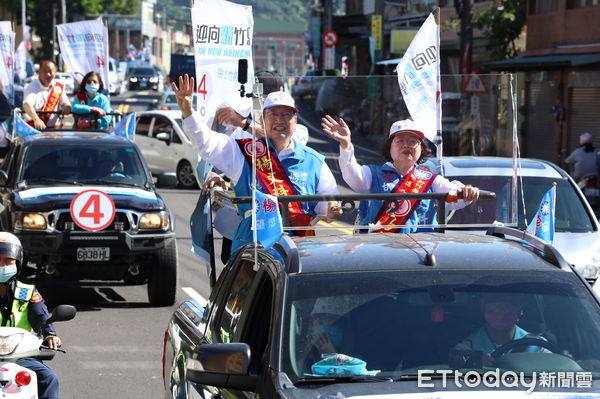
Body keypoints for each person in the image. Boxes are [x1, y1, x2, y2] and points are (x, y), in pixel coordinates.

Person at [173, 74, 342, 253]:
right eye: (273, 114)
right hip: (252, 249)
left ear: (295, 120)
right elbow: (206, 143)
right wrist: (188, 112)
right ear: (262, 119)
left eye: (286, 114)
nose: (279, 120)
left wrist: (331, 209)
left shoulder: (314, 160)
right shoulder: (242, 152)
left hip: (300, 249)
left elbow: (328, 201)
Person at [322, 117, 480, 232]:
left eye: (413, 141)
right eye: (400, 140)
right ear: (389, 147)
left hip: (421, 251)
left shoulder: (431, 179)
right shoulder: (372, 174)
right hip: (379, 249)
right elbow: (351, 173)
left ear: (421, 148)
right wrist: (346, 144)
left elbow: (455, 197)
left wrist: (467, 191)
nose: (407, 145)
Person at [0, 232, 61, 399]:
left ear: (17, 262)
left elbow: (41, 315)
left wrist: (50, 334)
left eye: (8, 260)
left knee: (49, 379)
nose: (2, 265)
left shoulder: (26, 291)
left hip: (20, 356)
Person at [213, 70, 309, 145]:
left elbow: (280, 141)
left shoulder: (300, 132)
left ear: (294, 119)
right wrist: (216, 122)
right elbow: (215, 163)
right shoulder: (238, 131)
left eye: (285, 113)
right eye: (255, 99)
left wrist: (242, 122)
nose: (279, 118)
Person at [455, 293, 547, 366]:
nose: (503, 310)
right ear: (483, 307)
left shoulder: (539, 346)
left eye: (511, 301)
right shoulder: (467, 349)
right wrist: (472, 363)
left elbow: (558, 370)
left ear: (521, 309)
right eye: (495, 300)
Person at [22, 60, 71, 130]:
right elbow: (27, 104)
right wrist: (36, 119)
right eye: (45, 71)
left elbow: (66, 104)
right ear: (39, 72)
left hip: (54, 130)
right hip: (34, 129)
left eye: (50, 71)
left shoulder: (58, 87)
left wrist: (66, 108)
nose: (48, 74)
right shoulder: (31, 86)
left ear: (55, 72)